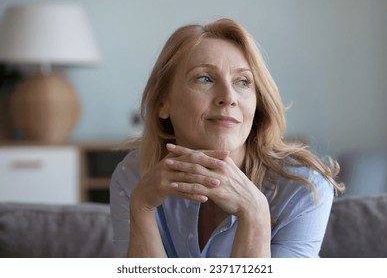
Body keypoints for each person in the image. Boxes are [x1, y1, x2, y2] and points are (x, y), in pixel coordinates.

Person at [110, 18, 344, 258]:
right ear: (162, 103)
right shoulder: (133, 177)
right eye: (205, 78)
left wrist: (255, 213)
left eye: (243, 82)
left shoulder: (303, 189)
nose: (229, 97)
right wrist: (142, 206)